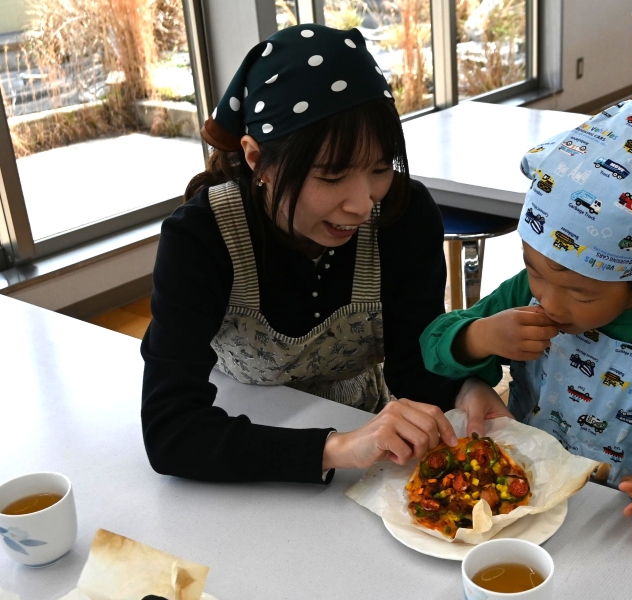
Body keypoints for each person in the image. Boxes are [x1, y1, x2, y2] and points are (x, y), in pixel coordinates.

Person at [140, 24, 509, 485]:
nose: (362, 204)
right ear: (256, 160)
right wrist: (337, 448)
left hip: (367, 430)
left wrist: (465, 389)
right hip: (238, 439)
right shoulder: (203, 238)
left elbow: (412, 367)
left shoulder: (403, 216)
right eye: (332, 176)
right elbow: (172, 431)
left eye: (380, 168)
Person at [420, 100, 632, 539]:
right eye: (535, 271)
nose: (550, 302)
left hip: (614, 522)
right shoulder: (526, 292)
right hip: (524, 500)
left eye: (581, 293)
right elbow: (433, 344)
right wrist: (480, 337)